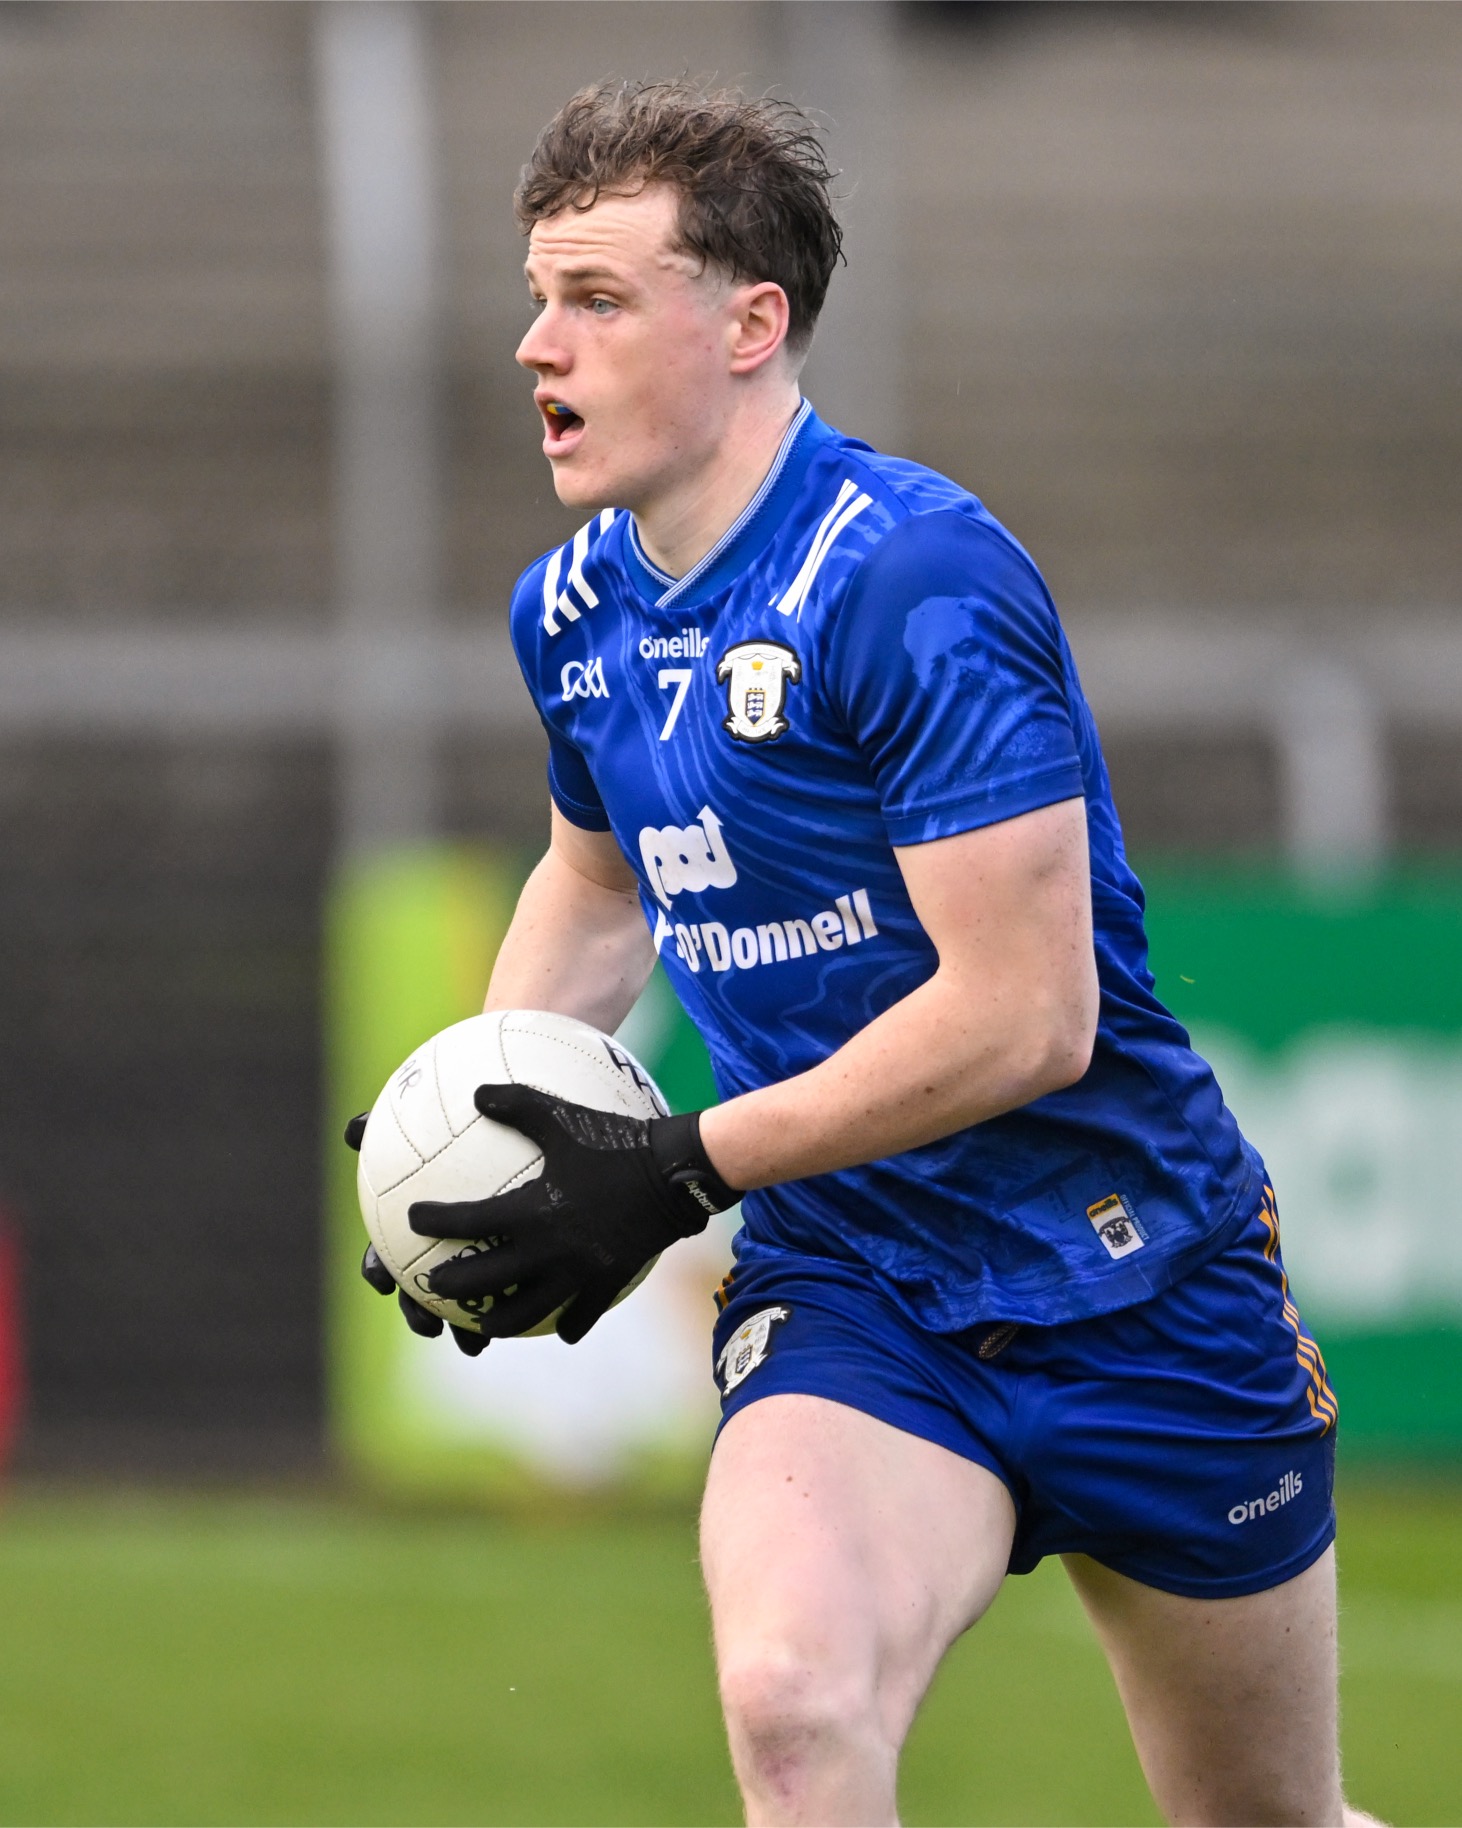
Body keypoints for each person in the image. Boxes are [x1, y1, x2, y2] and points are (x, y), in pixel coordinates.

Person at [351, 80, 1378, 1828]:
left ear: (749, 324)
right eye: (535, 297)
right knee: (792, 1705)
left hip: (1139, 1281)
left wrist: (672, 1167)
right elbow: (597, 886)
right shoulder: (570, 610)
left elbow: (1026, 1019)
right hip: (854, 1289)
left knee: (1264, 1819)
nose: (537, 346)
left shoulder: (908, 577)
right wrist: (484, 1134)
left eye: (596, 299)